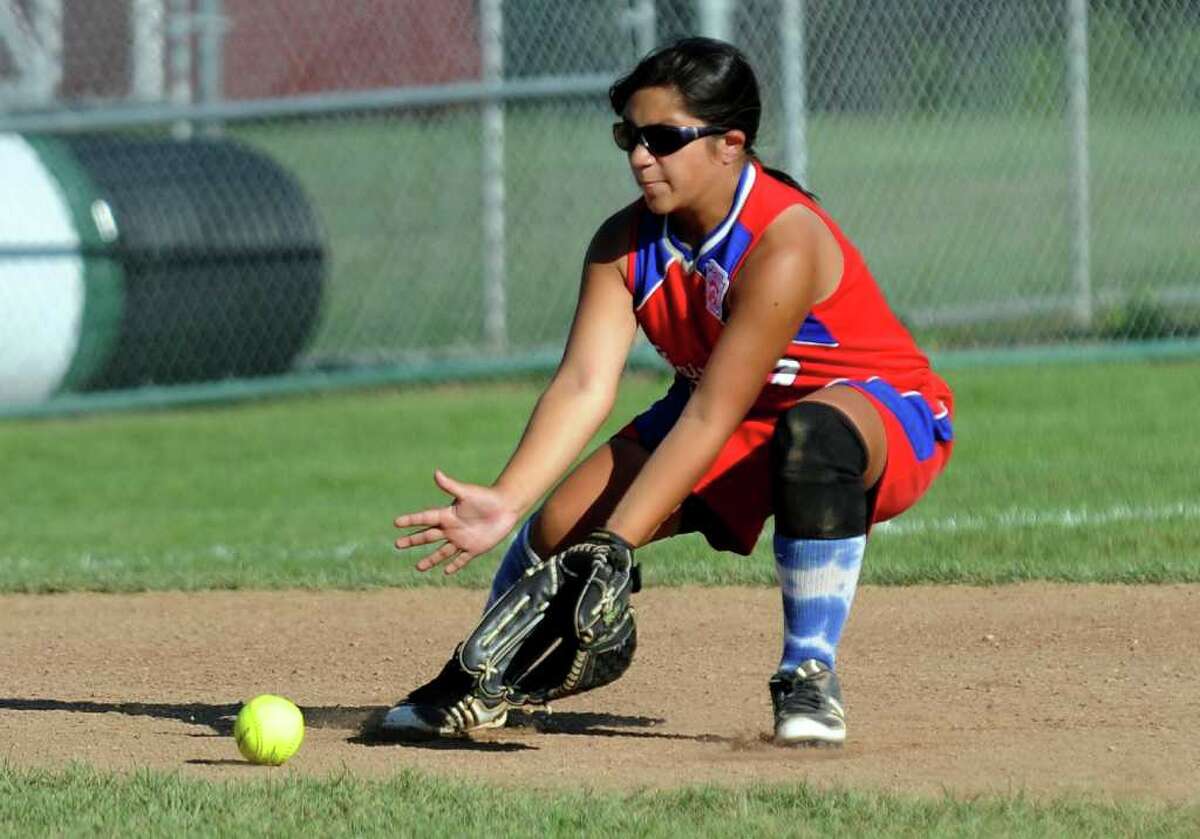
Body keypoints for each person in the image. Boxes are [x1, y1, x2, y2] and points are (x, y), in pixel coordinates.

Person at [382, 37, 954, 746]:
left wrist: (618, 543)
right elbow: (586, 382)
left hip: (870, 410)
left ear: (730, 144)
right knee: (562, 530)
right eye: (629, 135)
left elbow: (714, 411)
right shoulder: (626, 243)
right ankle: (485, 677)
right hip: (720, 410)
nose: (639, 156)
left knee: (811, 437)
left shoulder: (782, 239)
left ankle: (808, 674)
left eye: (662, 137)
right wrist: (507, 498)